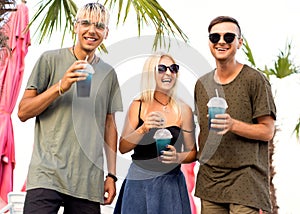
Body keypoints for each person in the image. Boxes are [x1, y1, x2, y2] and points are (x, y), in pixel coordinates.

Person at [17, 3, 122, 214]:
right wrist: (60, 86)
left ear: (106, 33)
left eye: (99, 26)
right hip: (47, 175)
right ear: (75, 27)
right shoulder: (50, 59)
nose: (92, 30)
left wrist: (111, 175)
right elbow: (23, 112)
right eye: (85, 23)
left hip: (88, 181)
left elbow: (109, 125)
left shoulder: (108, 74)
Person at [194, 16, 276, 214]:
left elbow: (267, 131)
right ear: (209, 42)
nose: (221, 41)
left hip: (246, 180)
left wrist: (233, 125)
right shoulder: (202, 84)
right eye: (215, 37)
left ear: (239, 42)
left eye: (229, 37)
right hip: (210, 181)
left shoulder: (255, 79)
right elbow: (203, 132)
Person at [114, 53, 197, 214]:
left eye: (173, 69)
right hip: (139, 182)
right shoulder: (138, 105)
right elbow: (123, 147)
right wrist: (143, 129)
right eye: (162, 69)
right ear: (150, 73)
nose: (168, 73)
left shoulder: (184, 110)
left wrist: (178, 157)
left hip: (170, 184)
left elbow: (193, 152)